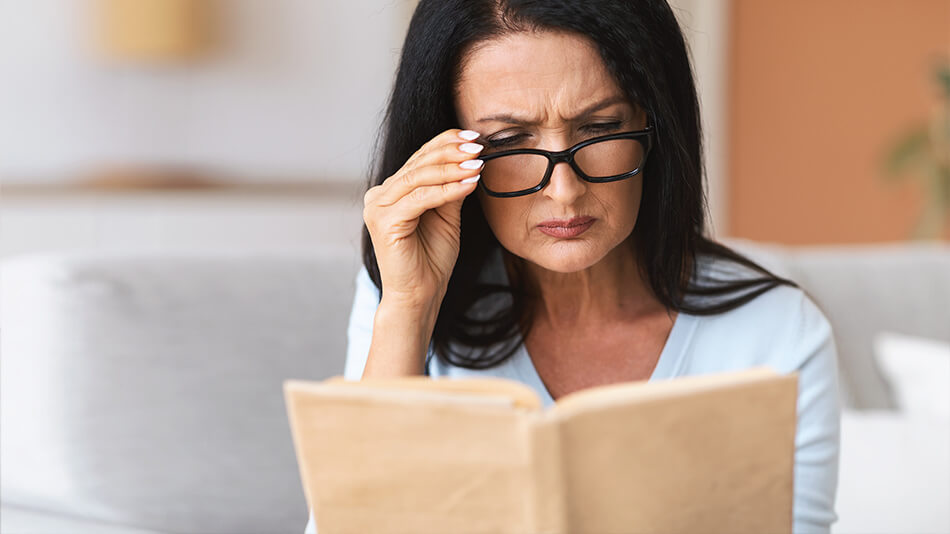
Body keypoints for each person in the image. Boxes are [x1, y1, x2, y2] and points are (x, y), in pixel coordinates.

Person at [306, 0, 840, 532]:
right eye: (509, 140)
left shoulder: (776, 332)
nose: (565, 191)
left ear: (655, 127)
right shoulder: (401, 300)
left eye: (600, 129)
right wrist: (408, 309)